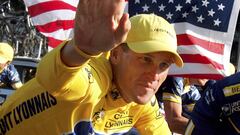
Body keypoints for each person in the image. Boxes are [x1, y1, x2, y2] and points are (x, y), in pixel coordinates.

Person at [0, 0, 184, 134]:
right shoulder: (95, 78)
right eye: (146, 59)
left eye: (164, 65)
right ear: (116, 54)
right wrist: (81, 50)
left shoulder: (142, 102)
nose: (155, 74)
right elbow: (54, 79)